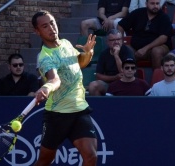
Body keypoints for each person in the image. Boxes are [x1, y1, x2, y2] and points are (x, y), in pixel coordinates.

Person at [32, 10, 97, 166]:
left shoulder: (66, 43)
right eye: (45, 26)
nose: (51, 28)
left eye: (52, 23)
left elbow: (79, 63)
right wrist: (46, 88)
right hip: (57, 115)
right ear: (37, 31)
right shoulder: (45, 57)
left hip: (79, 109)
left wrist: (88, 52)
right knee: (45, 161)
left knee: (91, 156)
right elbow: (54, 79)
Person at [118, 0, 173, 69]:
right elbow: (120, 26)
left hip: (158, 46)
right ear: (146, 4)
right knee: (124, 50)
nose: (155, 6)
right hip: (136, 48)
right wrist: (121, 42)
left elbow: (163, 38)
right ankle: (130, 78)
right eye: (152, 3)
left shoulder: (164, 17)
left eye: (157, 3)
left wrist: (145, 49)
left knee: (156, 51)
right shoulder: (137, 13)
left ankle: (157, 77)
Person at [88, 29, 135, 96]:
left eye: (118, 39)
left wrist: (116, 55)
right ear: (107, 42)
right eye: (113, 40)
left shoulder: (127, 51)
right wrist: (114, 77)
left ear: (122, 41)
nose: (116, 42)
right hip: (109, 84)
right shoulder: (104, 54)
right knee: (93, 85)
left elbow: (125, 72)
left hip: (126, 83)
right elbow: (98, 76)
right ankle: (99, 106)